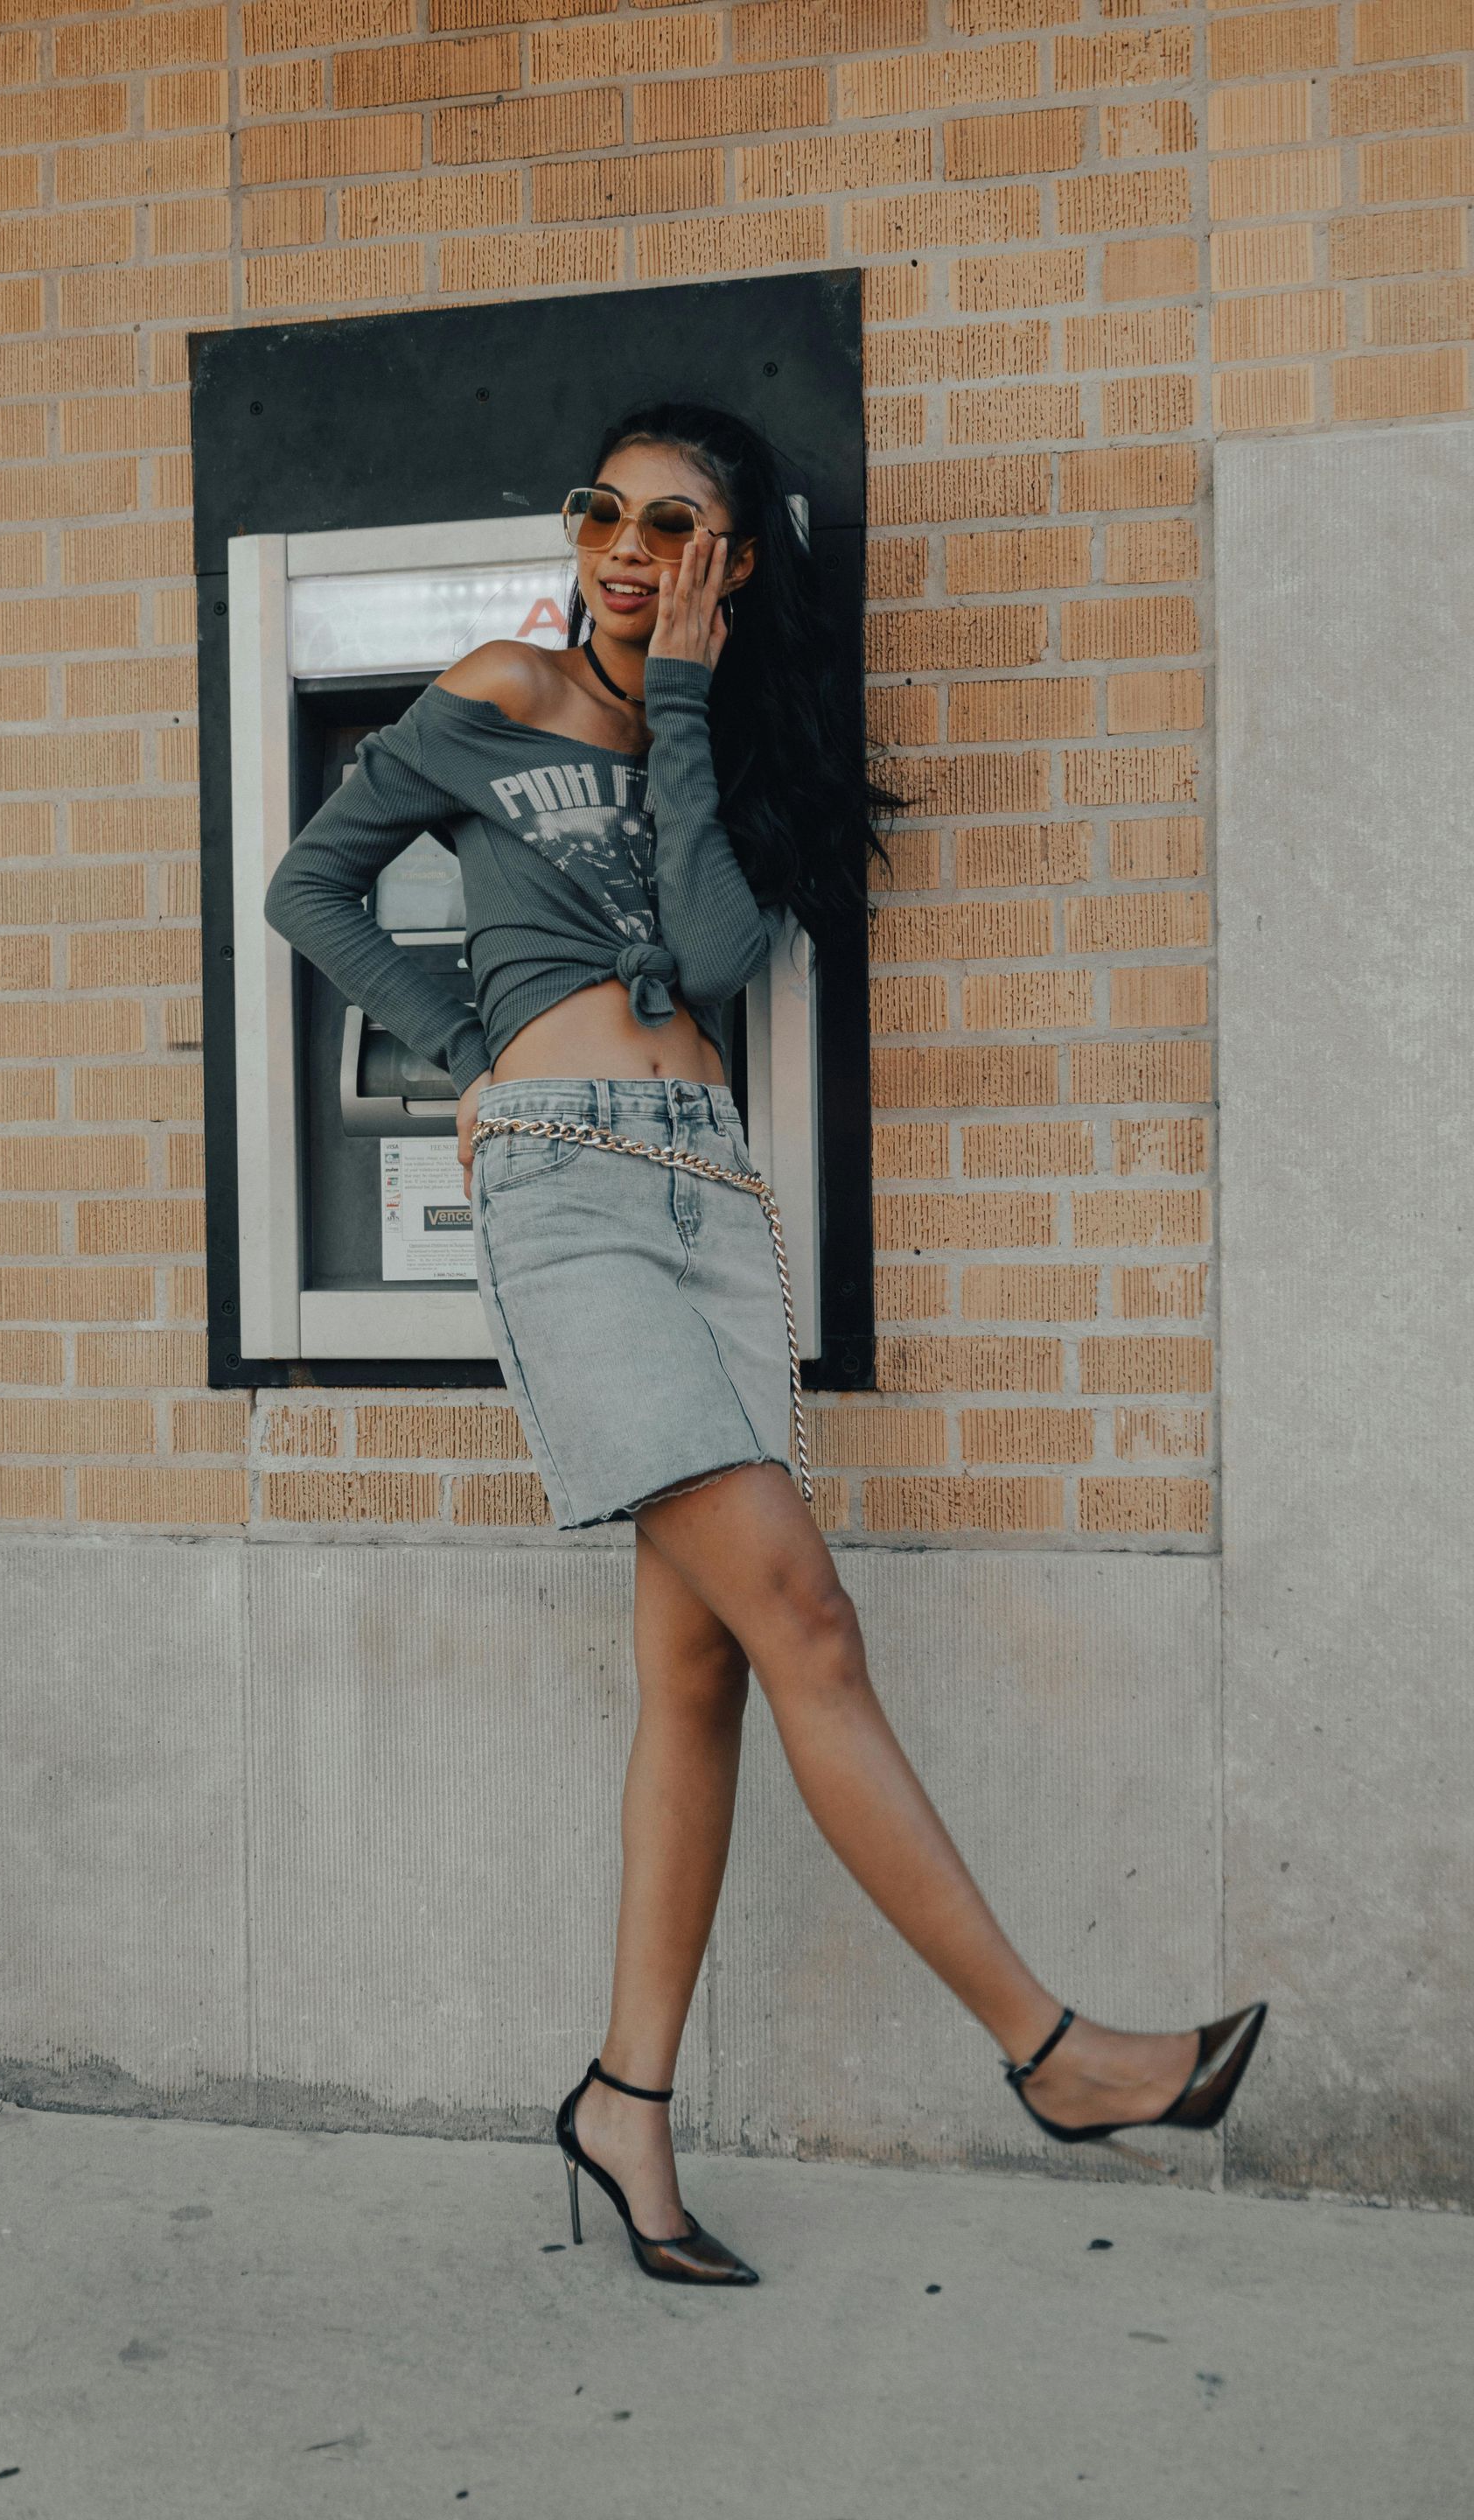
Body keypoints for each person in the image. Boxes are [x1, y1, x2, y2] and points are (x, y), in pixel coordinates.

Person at [264, 402, 1266, 2289]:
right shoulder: (497, 689)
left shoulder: (705, 736)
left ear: (729, 561)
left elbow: (716, 954)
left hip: (712, 1200)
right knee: (806, 1617)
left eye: (674, 526)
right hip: (568, 1195)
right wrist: (471, 1055)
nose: (627, 550)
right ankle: (1054, 2054)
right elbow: (308, 885)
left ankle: (625, 2104)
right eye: (604, 515)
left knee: (708, 1677)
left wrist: (703, 703)